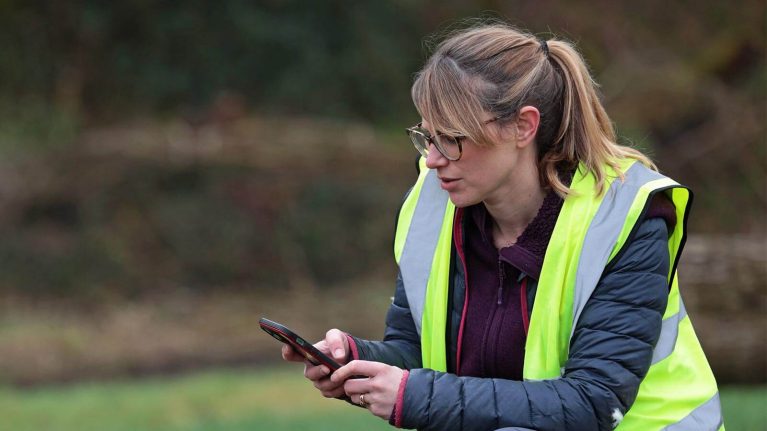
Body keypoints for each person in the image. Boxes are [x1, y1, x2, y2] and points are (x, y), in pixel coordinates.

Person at [282, 22, 724, 431]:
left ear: (523, 126)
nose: (433, 158)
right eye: (426, 136)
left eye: (452, 138)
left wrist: (413, 394)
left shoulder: (626, 217)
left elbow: (594, 401)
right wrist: (356, 361)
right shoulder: (432, 204)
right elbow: (417, 353)